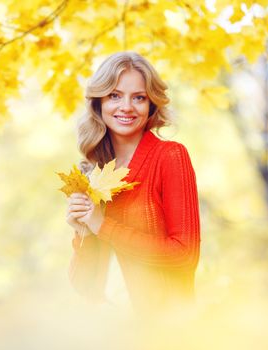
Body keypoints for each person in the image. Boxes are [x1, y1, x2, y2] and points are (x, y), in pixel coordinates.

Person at [65, 51, 201, 317]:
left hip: (166, 328)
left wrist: (103, 225)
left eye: (138, 97)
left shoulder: (169, 156)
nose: (126, 106)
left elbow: (184, 256)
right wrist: (83, 233)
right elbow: (84, 285)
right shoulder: (92, 173)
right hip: (110, 328)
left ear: (151, 105)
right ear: (99, 103)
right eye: (115, 95)